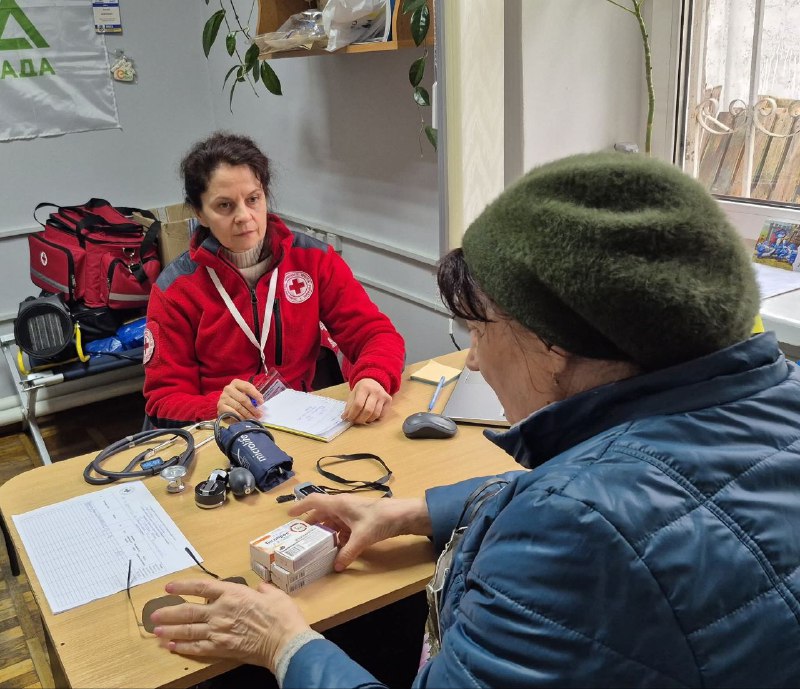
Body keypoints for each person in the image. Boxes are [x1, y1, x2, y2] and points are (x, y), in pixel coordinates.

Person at [149, 152, 800, 687]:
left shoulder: (567, 530)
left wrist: (284, 642)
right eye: (225, 205)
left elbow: (588, 519)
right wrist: (411, 513)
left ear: (554, 343)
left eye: (479, 331)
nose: (477, 362)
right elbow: (637, 492)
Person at [143, 132, 405, 428]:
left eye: (253, 199)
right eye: (224, 206)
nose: (244, 216)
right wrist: (214, 404)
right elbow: (162, 400)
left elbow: (375, 334)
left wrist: (373, 376)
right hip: (223, 428)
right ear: (199, 213)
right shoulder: (176, 289)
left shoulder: (313, 260)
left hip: (306, 420)